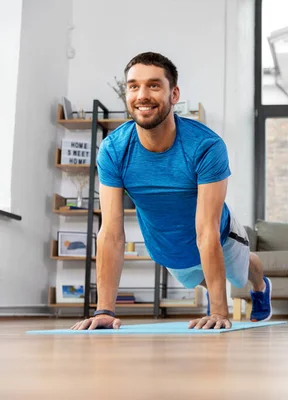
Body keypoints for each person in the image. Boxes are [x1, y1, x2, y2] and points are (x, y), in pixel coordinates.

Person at [71, 52, 272, 330]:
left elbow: (207, 230)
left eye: (154, 85)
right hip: (168, 248)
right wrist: (104, 310)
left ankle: (261, 287)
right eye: (133, 86)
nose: (142, 95)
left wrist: (219, 312)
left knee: (241, 275)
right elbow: (111, 232)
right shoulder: (114, 150)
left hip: (220, 236)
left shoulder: (205, 146)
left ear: (173, 93)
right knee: (205, 277)